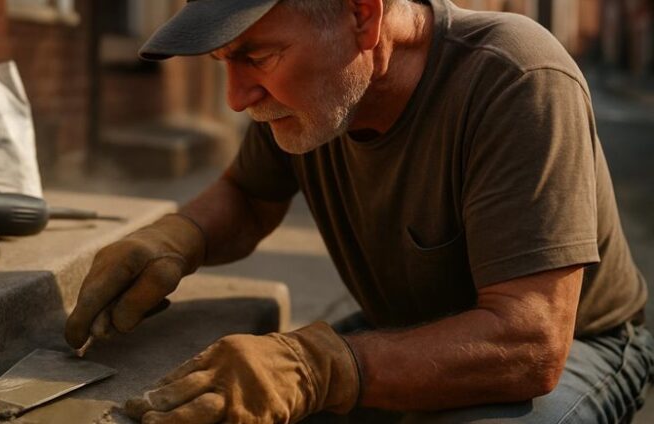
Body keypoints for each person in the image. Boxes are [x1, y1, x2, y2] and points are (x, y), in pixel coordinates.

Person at [64, 0, 654, 422]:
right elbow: (247, 197)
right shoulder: (307, 97)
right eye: (223, 61)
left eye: (258, 56)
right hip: (401, 328)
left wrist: (319, 367)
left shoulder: (516, 77)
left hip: (581, 344)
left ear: (362, 16)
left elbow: (530, 343)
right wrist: (176, 236)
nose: (236, 97)